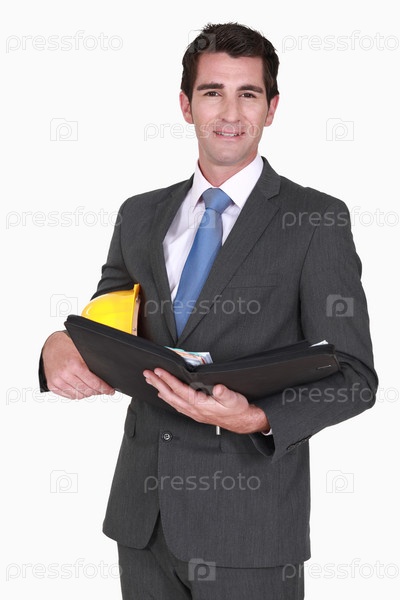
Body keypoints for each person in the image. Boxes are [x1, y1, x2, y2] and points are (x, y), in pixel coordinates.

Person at [40, 22, 378, 600]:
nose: (230, 112)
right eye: (212, 92)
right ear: (185, 105)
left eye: (248, 93)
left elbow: (355, 378)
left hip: (250, 529)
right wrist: (59, 343)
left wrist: (259, 418)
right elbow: (108, 314)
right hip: (143, 521)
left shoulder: (315, 220)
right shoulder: (139, 214)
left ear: (272, 108)